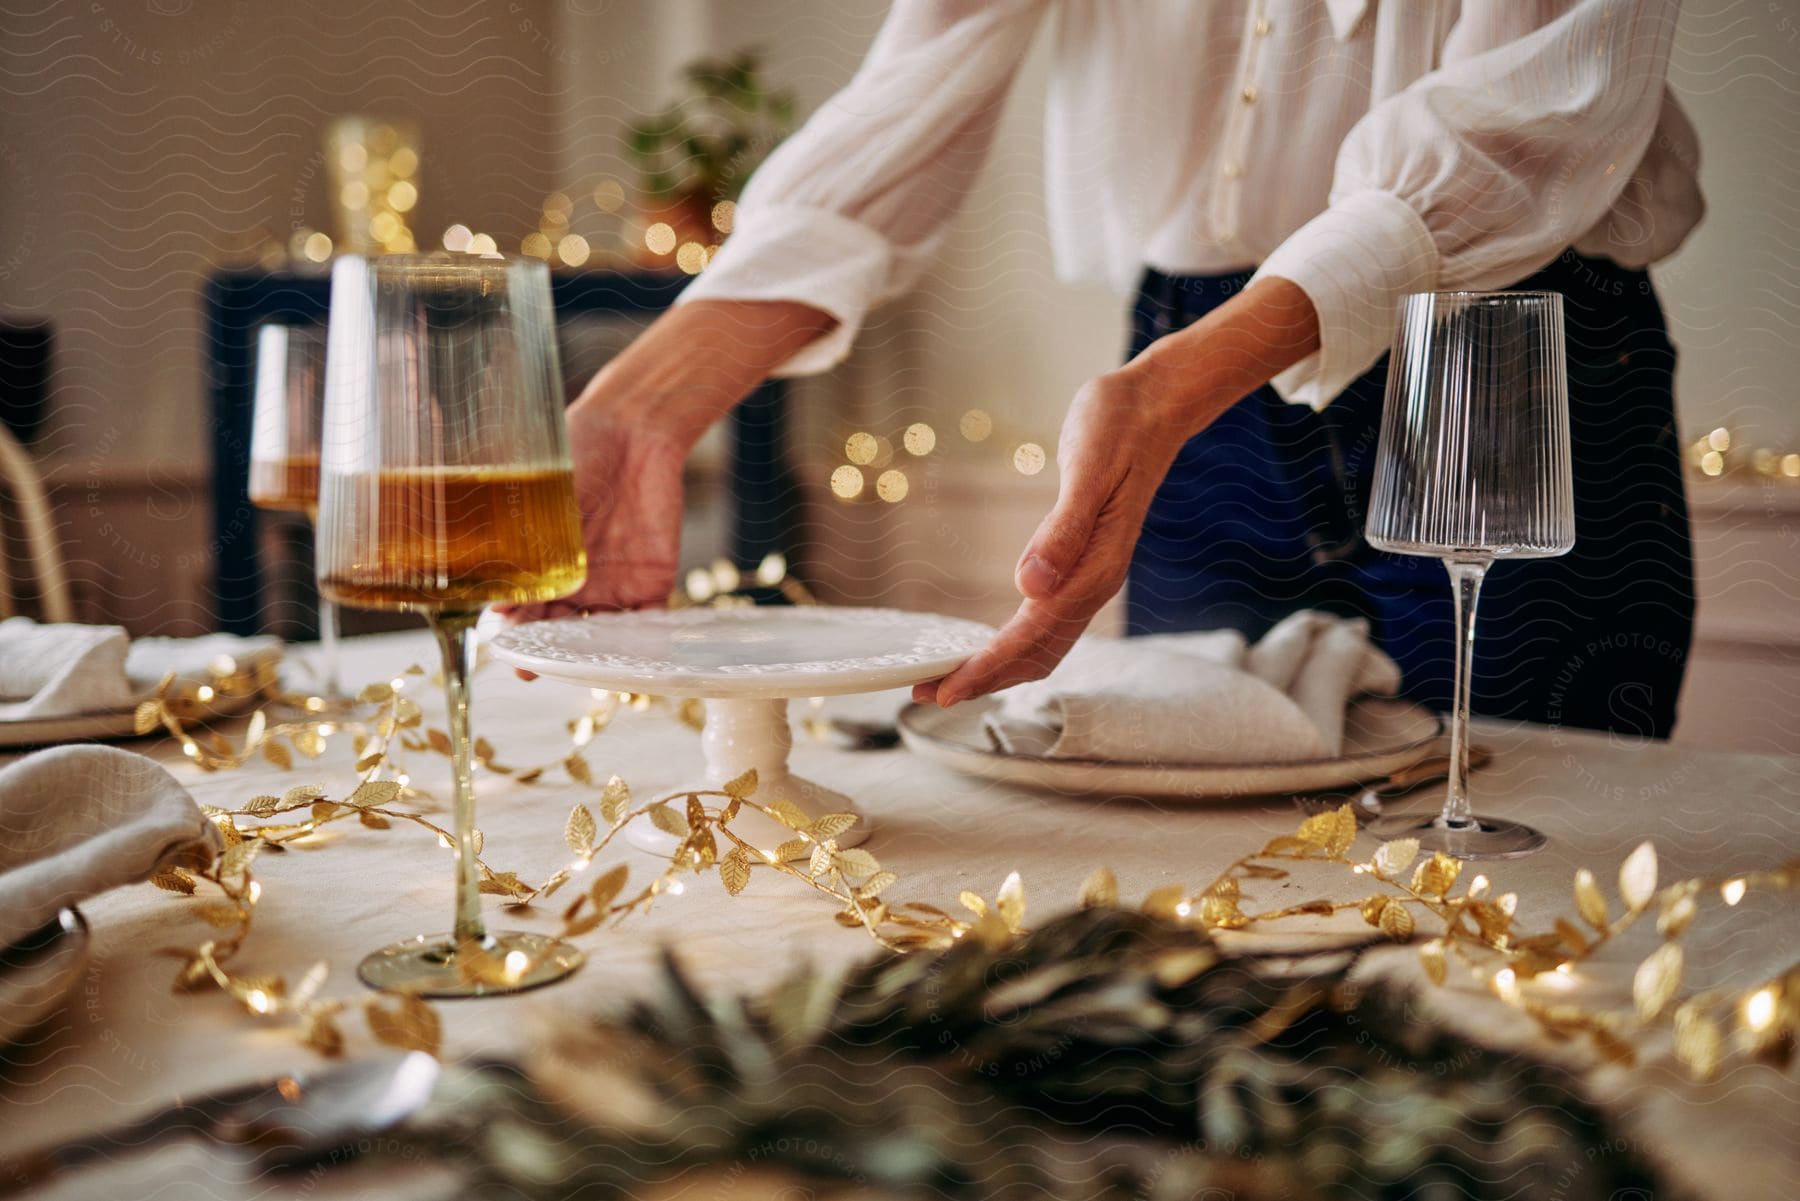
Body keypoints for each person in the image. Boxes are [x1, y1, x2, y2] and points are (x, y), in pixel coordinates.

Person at [513, 0, 1703, 738]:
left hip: (1498, 340)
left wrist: (1177, 383)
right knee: (1206, 832)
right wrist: (640, 408)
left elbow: (1532, 109)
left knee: (1522, 828)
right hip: (1194, 387)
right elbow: (906, 101)